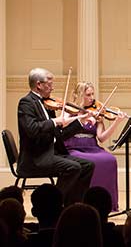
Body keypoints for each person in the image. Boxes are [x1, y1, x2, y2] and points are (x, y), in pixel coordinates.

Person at [17, 68, 95, 206]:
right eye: (49, 84)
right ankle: (52, 205)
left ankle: (72, 205)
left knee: (88, 165)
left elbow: (60, 135)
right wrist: (55, 121)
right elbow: (32, 129)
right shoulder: (26, 103)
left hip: (51, 152)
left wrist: (79, 122)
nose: (52, 88)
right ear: (39, 85)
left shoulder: (48, 104)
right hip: (36, 158)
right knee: (73, 167)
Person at [61, 81, 126, 211]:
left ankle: (104, 204)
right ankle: (84, 202)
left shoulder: (97, 112)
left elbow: (101, 138)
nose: (92, 98)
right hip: (73, 148)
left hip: (92, 147)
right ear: (80, 96)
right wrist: (82, 117)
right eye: (88, 95)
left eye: (92, 94)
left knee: (109, 160)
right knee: (89, 162)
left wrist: (116, 122)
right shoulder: (69, 111)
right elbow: (62, 125)